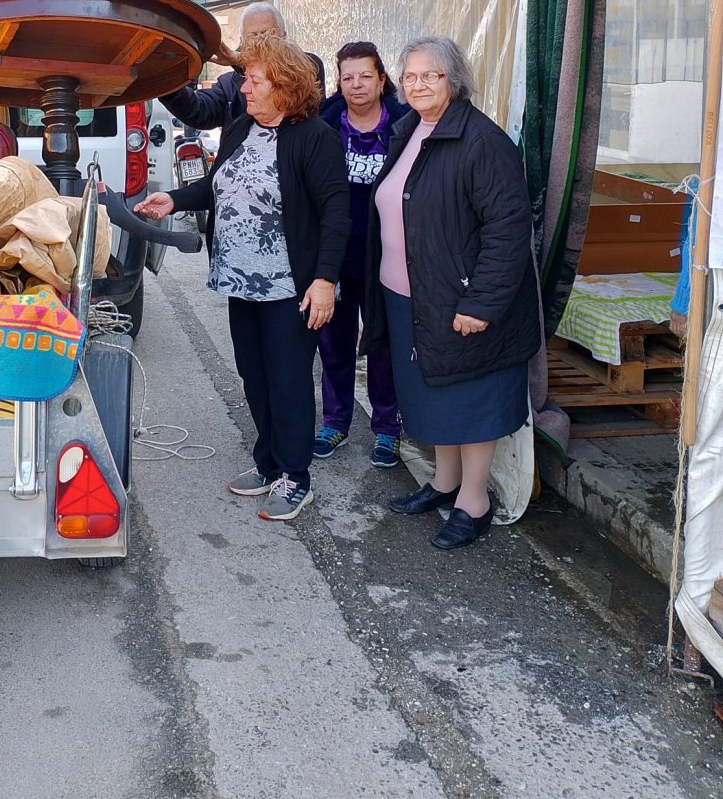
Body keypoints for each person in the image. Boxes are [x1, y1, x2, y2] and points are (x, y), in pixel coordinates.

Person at [135, 35, 350, 522]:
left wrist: (324, 280)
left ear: (284, 84)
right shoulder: (240, 129)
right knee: (254, 375)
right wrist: (174, 198)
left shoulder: (315, 138)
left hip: (289, 288)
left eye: (252, 81)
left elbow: (337, 215)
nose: (243, 89)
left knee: (289, 379)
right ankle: (269, 461)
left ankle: (296, 477)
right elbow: (216, 186)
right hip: (241, 280)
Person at [361, 36, 539, 550]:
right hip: (408, 295)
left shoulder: (482, 141)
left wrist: (481, 303)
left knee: (471, 399)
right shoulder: (411, 128)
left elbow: (507, 231)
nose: (417, 85)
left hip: (461, 299)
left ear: (453, 81)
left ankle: (475, 501)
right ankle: (444, 483)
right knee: (433, 393)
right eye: (410, 76)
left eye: (430, 76)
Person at [315, 42, 409, 468]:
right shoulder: (324, 125)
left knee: (382, 344)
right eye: (348, 76)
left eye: (365, 76)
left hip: (386, 259)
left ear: (382, 79)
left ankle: (388, 429)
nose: (356, 85)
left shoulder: (406, 127)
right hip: (335, 258)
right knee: (333, 343)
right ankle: (335, 422)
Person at [158, 3, 325, 135]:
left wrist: (238, 59)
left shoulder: (307, 67)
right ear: (242, 41)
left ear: (284, 36)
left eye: (267, 34)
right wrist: (163, 79)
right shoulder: (228, 85)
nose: (261, 41)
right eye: (253, 36)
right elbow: (198, 111)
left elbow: (292, 73)